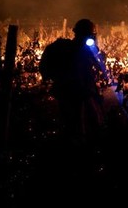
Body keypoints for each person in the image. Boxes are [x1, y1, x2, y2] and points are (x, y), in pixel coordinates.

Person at [39, 18, 115, 147]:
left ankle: (75, 146)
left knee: (76, 121)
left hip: (71, 89)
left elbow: (99, 64)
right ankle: (79, 148)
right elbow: (99, 64)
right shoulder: (68, 47)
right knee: (80, 122)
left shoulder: (66, 46)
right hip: (77, 89)